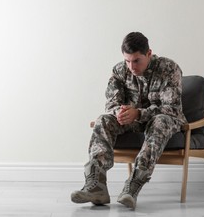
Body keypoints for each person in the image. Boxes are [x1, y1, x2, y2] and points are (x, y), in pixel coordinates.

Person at [71, 32, 187, 210]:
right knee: (103, 119)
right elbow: (111, 103)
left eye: (136, 61)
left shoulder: (169, 68)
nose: (131, 66)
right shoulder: (119, 70)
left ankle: (132, 187)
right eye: (127, 61)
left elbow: (171, 108)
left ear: (149, 54)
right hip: (130, 120)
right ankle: (96, 185)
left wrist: (138, 113)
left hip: (162, 120)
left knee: (160, 121)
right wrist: (120, 112)